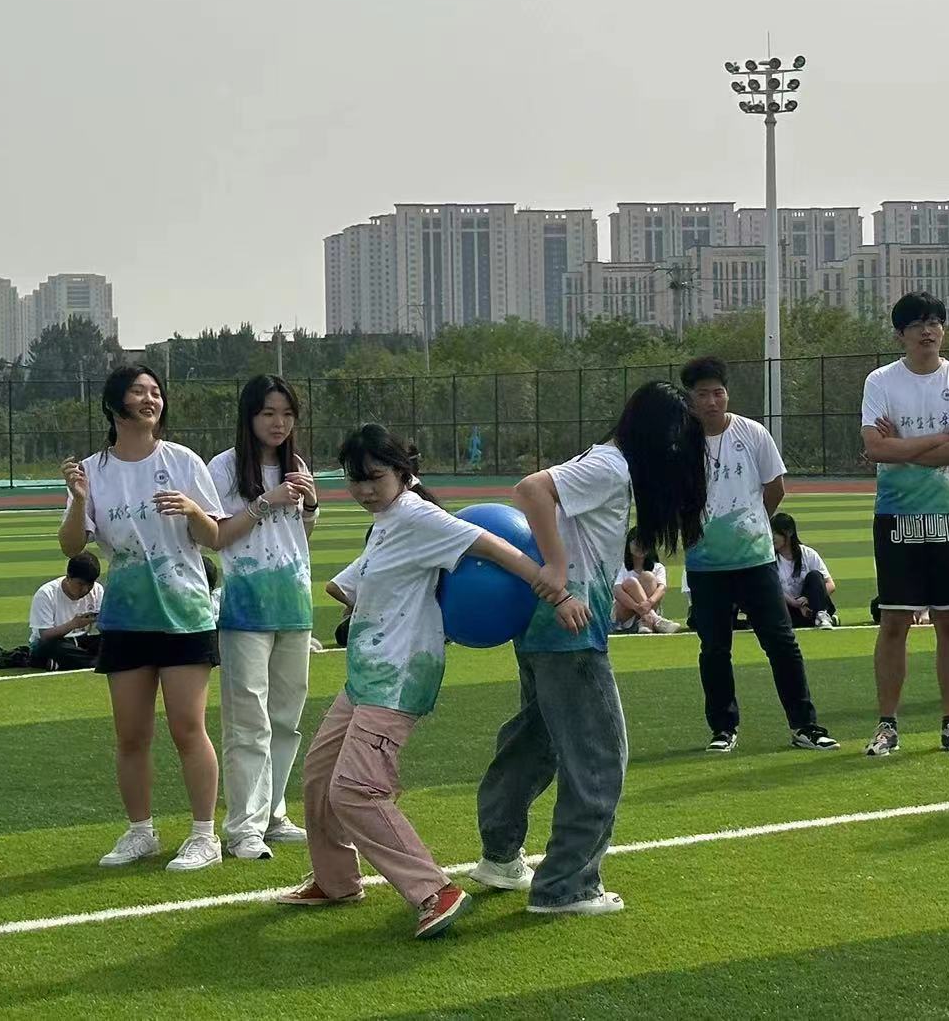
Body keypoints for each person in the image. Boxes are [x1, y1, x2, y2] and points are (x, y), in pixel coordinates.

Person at [277, 424, 545, 941]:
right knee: (319, 773)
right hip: (366, 673)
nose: (364, 490)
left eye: (374, 478)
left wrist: (548, 585)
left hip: (399, 678)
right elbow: (349, 585)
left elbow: (493, 547)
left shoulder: (420, 516)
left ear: (402, 472)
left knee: (356, 789)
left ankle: (434, 891)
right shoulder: (387, 521)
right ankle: (335, 880)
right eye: (355, 480)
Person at [471, 381, 708, 916]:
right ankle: (567, 886)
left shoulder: (602, 461)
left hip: (544, 626)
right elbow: (531, 489)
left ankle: (500, 854)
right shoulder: (610, 467)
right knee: (600, 755)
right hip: (570, 631)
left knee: (537, 741)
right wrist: (556, 570)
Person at [59, 365, 228, 872]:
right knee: (131, 735)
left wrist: (193, 511)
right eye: (138, 391)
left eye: (156, 392)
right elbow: (72, 545)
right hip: (127, 618)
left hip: (185, 613)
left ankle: (205, 836)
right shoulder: (93, 470)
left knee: (188, 728)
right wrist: (78, 501)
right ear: (115, 404)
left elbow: (215, 537)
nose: (151, 399)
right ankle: (140, 832)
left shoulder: (182, 460)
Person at [679, 357, 836, 754]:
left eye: (718, 393)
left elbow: (775, 487)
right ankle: (723, 728)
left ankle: (805, 725)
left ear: (727, 394)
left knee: (781, 642)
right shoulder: (680, 442)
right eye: (702, 394)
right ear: (690, 399)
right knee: (714, 648)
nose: (712, 401)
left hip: (756, 560)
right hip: (705, 565)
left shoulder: (751, 433)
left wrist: (752, 527)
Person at [860, 291, 949, 758]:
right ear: (901, 334)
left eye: (934, 322)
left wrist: (905, 447)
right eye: (917, 324)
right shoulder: (880, 381)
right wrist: (938, 438)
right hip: (897, 514)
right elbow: (876, 448)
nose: (927, 331)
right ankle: (887, 724)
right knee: (895, 620)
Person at [207, 375, 319, 861]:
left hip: (293, 605)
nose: (279, 423)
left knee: (286, 719)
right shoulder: (223, 468)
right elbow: (214, 535)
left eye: (287, 414)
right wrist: (263, 503)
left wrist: (309, 504)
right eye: (269, 413)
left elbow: (299, 537)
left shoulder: (297, 465)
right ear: (249, 415)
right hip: (245, 607)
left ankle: (274, 814)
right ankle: (243, 827)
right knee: (248, 720)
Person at [28, 552, 105, 671]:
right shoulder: (46, 594)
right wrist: (73, 624)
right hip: (50, 643)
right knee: (51, 646)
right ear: (68, 577)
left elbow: (103, 628)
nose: (85, 589)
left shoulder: (97, 590)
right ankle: (94, 661)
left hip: (80, 641)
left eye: (90, 585)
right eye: (80, 584)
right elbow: (45, 635)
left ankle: (61, 663)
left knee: (111, 640)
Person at [771, 512, 838, 628]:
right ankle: (819, 618)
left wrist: (808, 599)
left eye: (775, 533)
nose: (772, 538)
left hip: (811, 604)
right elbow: (774, 589)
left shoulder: (808, 554)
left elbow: (830, 584)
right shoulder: (770, 559)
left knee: (815, 576)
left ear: (789, 532)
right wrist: (795, 603)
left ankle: (821, 616)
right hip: (787, 605)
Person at [611, 532, 683, 634]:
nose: (640, 546)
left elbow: (662, 588)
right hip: (626, 613)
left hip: (650, 605)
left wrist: (649, 603)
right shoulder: (622, 567)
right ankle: (655, 619)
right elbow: (617, 590)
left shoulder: (658, 567)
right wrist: (637, 607)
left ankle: (646, 622)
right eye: (636, 542)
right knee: (631, 582)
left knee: (648, 576)